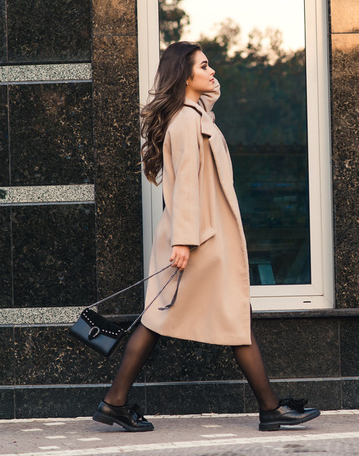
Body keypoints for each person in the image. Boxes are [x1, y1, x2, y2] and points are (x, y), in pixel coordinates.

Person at [92, 41, 320, 432]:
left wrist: (202, 83)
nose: (213, 72)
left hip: (204, 237)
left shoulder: (195, 114)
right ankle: (270, 409)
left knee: (168, 318)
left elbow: (211, 94)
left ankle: (115, 403)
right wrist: (183, 241)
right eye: (204, 65)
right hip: (200, 241)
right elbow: (184, 188)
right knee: (187, 318)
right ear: (184, 75)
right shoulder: (185, 121)